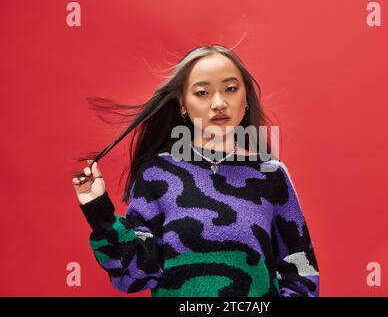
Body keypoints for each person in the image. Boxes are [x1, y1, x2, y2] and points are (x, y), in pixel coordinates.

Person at [71, 45, 319, 297]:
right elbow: (137, 275)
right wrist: (98, 211)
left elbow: (301, 269)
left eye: (231, 89)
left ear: (245, 99)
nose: (219, 103)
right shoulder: (157, 174)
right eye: (202, 92)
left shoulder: (271, 174)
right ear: (182, 104)